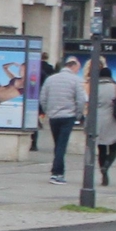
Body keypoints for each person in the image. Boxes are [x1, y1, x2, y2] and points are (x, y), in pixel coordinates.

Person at [39, 54, 86, 184]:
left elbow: (43, 98)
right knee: (61, 145)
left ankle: (59, 170)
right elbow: (81, 100)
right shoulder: (75, 80)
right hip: (68, 116)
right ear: (73, 67)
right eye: (78, 68)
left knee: (58, 144)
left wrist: (48, 111)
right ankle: (56, 173)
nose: (78, 71)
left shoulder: (51, 79)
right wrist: (78, 114)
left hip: (54, 117)